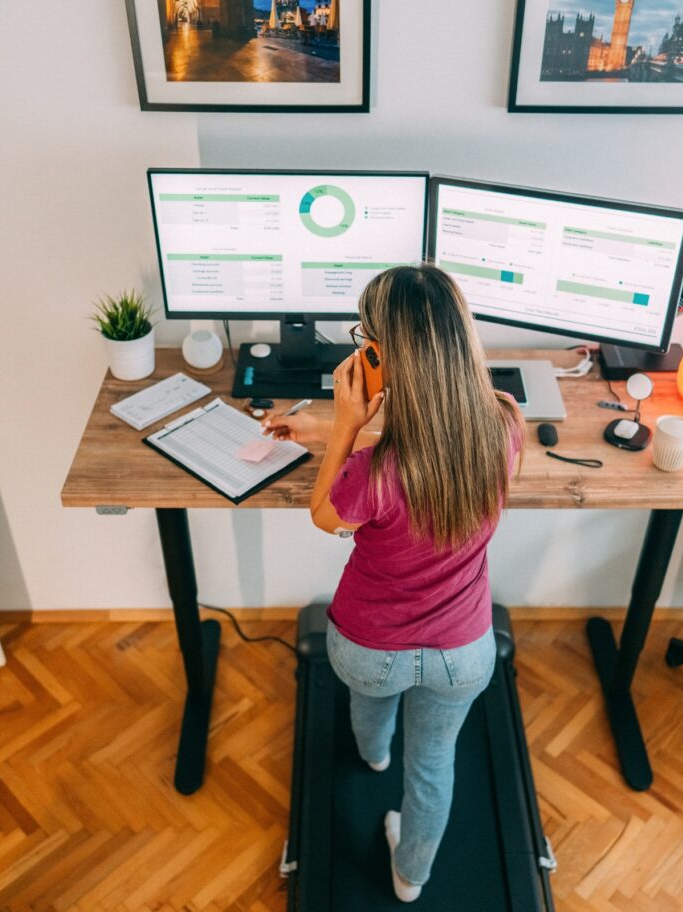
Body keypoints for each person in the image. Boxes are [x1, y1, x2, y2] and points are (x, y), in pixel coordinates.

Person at [263, 264, 524, 902]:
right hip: (463, 654)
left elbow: (326, 514)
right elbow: (432, 436)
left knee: (370, 708)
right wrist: (330, 433)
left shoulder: (371, 473)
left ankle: (373, 755)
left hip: (369, 650)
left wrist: (344, 427)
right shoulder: (505, 425)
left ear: (380, 355)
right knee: (434, 766)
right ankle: (411, 877)